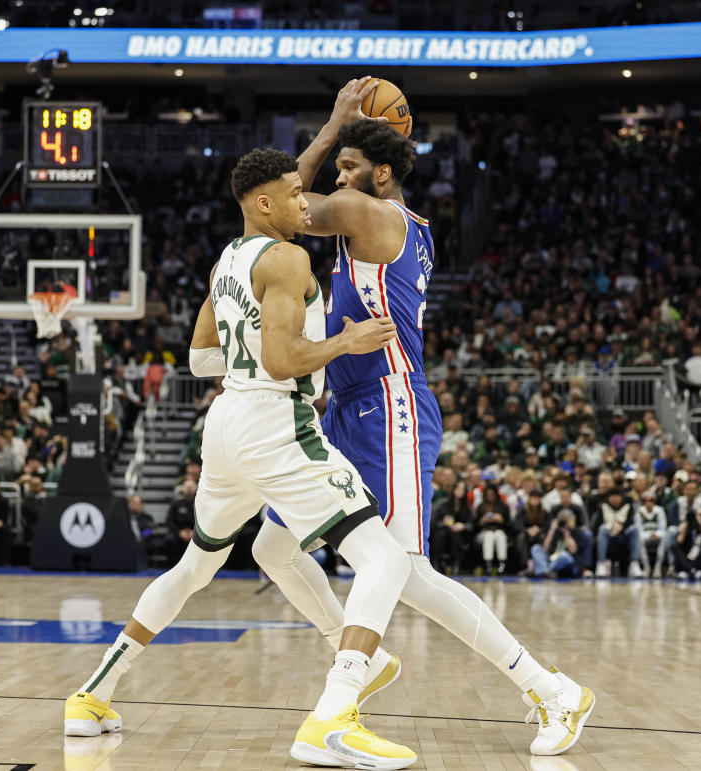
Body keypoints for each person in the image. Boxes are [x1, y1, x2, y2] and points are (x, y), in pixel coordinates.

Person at [250, 81, 594, 757]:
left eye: (349, 165)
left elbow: (278, 209)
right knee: (274, 545)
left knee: (405, 568)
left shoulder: (367, 212)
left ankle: (349, 696)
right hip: (348, 409)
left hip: (390, 407)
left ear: (379, 173)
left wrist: (330, 128)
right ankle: (375, 662)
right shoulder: (385, 221)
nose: (337, 176)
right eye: (338, 167)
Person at [64, 147, 417, 770]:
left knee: (196, 567)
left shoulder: (226, 261)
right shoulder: (287, 257)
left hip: (226, 425)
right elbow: (283, 363)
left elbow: (202, 361)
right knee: (383, 561)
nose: (304, 200)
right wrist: (345, 341)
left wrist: (254, 360)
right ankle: (334, 717)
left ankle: (92, 695)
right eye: (292, 192)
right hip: (275, 422)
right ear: (264, 203)